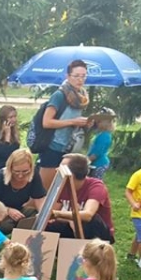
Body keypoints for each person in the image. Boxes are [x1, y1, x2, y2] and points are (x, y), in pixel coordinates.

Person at [37, 60, 90, 190]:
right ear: (68, 76)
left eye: (83, 76)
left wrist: (85, 123)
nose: (80, 80)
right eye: (76, 76)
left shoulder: (81, 97)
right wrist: (73, 121)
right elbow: (46, 122)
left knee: (60, 190)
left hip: (69, 148)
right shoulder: (59, 95)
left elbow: (72, 121)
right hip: (52, 147)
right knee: (45, 189)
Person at [46, 153, 115, 243]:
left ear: (71, 174)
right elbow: (51, 213)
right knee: (48, 226)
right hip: (73, 226)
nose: (56, 170)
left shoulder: (96, 186)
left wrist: (57, 214)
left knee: (86, 220)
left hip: (97, 233)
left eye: (61, 167)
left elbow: (88, 215)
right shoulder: (63, 186)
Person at [0, 148, 46, 235]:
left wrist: (43, 214)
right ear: (10, 168)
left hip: (17, 209)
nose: (20, 175)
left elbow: (39, 198)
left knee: (33, 216)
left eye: (25, 171)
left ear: (31, 168)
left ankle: (22, 237)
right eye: (16, 171)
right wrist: (7, 210)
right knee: (6, 225)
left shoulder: (34, 175)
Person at [87, 108, 115, 179]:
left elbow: (97, 153)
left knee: (95, 182)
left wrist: (86, 161)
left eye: (99, 121)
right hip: (95, 163)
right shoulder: (101, 134)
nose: (96, 122)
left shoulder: (104, 136)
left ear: (106, 122)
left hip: (99, 164)